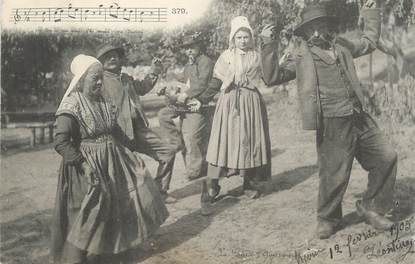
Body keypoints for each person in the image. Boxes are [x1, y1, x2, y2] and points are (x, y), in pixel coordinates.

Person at [260, 0, 397, 239]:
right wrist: (267, 44)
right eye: (311, 28)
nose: (316, 32)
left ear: (327, 26)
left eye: (321, 25)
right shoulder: (301, 55)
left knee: (386, 157)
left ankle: (372, 207)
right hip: (332, 122)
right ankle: (328, 218)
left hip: (359, 117)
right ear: (304, 33)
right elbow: (272, 77)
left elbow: (368, 42)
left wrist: (371, 12)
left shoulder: (342, 45)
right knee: (334, 173)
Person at [51, 54, 168, 264]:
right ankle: (74, 259)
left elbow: (113, 130)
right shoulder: (71, 106)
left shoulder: (103, 101)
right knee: (89, 212)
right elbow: (61, 143)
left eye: (100, 78)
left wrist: (129, 152)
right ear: (81, 80)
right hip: (84, 165)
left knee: (122, 202)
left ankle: (114, 251)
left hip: (112, 161)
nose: (98, 82)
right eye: (94, 78)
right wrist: (83, 164)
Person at [96, 43, 177, 203]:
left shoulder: (126, 78)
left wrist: (154, 70)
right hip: (118, 134)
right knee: (124, 172)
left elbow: (142, 88)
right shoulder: (100, 83)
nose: (112, 58)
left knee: (167, 153)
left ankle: (161, 192)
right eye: (107, 56)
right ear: (101, 62)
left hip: (138, 129)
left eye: (115, 55)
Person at [204, 16, 272, 202]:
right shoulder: (226, 57)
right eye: (239, 37)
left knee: (248, 141)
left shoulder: (256, 56)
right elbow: (216, 81)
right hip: (229, 103)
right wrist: (202, 99)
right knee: (222, 142)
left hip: (251, 103)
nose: (243, 40)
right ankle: (212, 184)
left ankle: (248, 182)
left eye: (246, 37)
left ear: (251, 38)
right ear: (233, 39)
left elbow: (267, 75)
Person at [158, 32, 216, 181]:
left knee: (192, 136)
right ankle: (175, 141)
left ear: (199, 47)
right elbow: (183, 81)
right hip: (187, 103)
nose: (189, 50)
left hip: (200, 103)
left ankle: (195, 170)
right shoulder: (189, 65)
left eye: (192, 47)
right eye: (187, 48)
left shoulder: (205, 62)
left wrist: (188, 93)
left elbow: (203, 83)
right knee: (165, 115)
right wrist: (168, 86)